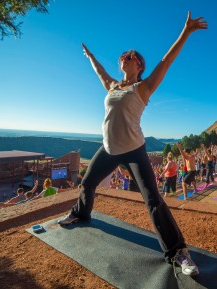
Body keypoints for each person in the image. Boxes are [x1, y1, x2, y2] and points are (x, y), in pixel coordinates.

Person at [57, 12, 207, 276]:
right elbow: (100, 72)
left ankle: (179, 253)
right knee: (88, 183)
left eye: (132, 56)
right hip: (108, 148)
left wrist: (186, 32)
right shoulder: (113, 87)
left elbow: (167, 60)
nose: (127, 56)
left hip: (134, 150)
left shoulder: (143, 88)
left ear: (139, 66)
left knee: (153, 199)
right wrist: (91, 57)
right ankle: (80, 214)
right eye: (124, 55)